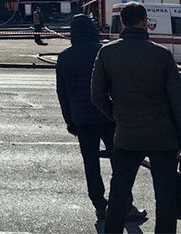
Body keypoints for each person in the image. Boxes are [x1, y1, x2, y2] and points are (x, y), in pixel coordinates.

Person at [91, 2, 181, 234]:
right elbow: (178, 101)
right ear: (144, 21)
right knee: (165, 195)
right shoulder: (162, 54)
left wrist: (118, 116)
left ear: (123, 22)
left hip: (127, 134)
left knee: (119, 191)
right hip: (163, 136)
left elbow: (97, 95)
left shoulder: (107, 52)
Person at [57, 14, 146, 222]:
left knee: (90, 163)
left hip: (81, 118)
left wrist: (69, 120)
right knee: (119, 162)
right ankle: (125, 205)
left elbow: (62, 93)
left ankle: (99, 205)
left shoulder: (65, 56)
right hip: (108, 115)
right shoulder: (103, 50)